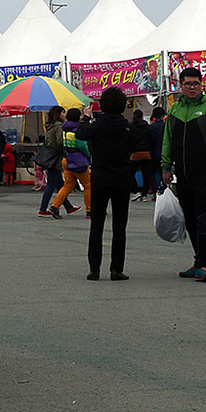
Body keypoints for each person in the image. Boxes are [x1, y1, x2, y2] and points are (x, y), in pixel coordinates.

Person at [161, 67, 206, 283]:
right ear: (180, 86)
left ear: (201, 85)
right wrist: (166, 167)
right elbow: (167, 141)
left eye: (195, 83)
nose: (191, 87)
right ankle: (198, 262)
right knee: (189, 219)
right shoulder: (174, 110)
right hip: (183, 175)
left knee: (205, 219)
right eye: (187, 83)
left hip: (204, 175)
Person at [82, 87, 134, 281]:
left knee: (97, 224)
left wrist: (87, 117)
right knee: (120, 226)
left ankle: (94, 269)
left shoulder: (96, 126)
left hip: (99, 178)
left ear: (102, 105)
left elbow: (81, 134)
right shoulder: (127, 127)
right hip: (121, 179)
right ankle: (116, 269)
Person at [46, 108, 92, 219]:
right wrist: (88, 155)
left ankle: (55, 206)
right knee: (88, 185)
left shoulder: (65, 129)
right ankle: (90, 210)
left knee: (67, 186)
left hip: (67, 160)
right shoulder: (77, 130)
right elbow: (82, 146)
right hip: (78, 161)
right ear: (77, 118)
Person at [38, 106, 76, 216]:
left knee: (60, 185)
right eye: (63, 113)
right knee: (51, 184)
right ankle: (43, 208)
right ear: (58, 115)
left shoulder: (49, 126)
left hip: (50, 157)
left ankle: (68, 207)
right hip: (56, 158)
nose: (65, 115)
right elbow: (60, 142)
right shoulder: (59, 126)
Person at [129, 108, 155, 201]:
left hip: (135, 153)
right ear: (142, 116)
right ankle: (144, 195)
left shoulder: (131, 127)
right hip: (146, 153)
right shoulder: (147, 127)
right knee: (146, 175)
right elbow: (152, 138)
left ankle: (136, 191)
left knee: (130, 173)